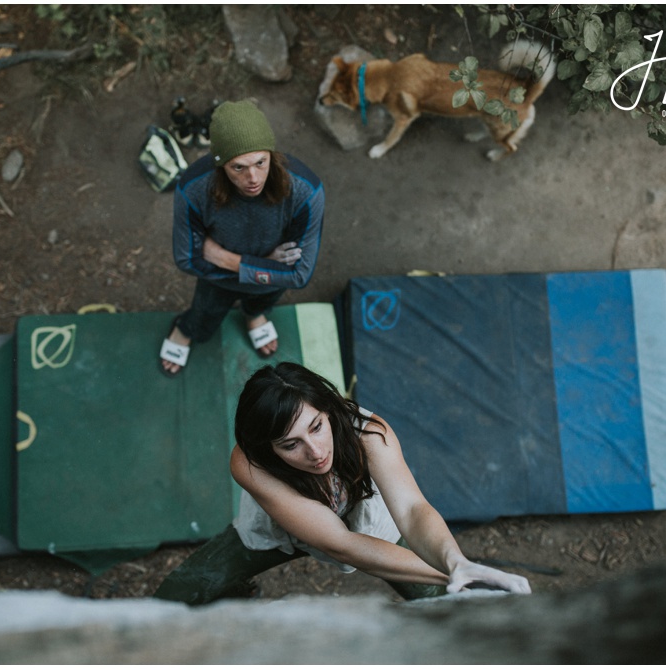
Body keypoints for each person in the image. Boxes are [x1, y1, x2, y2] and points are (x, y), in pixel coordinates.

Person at [153, 362, 531, 604]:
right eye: (290, 444)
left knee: (446, 603)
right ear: (265, 448)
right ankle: (233, 596)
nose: (315, 452)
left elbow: (413, 510)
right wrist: (449, 574)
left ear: (329, 409)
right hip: (281, 534)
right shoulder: (248, 463)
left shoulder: (369, 433)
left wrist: (457, 563)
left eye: (317, 427)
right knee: (174, 596)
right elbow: (341, 544)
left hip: (371, 526)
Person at [160, 100, 325, 375]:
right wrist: (265, 264)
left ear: (271, 153)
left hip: (228, 269)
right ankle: (187, 329)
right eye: (238, 168)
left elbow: (299, 275)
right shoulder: (193, 188)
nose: (253, 178)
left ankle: (253, 316)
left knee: (263, 300)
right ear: (221, 164)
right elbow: (186, 259)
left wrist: (226, 259)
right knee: (205, 311)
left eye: (261, 162)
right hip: (222, 279)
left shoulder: (306, 190)